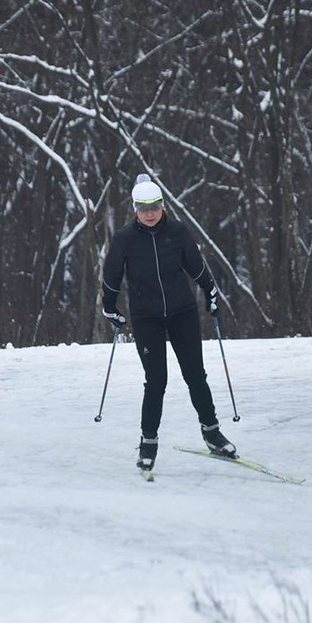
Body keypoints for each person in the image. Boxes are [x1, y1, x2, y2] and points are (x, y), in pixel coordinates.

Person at [101, 174, 237, 472]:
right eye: (142, 207)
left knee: (195, 375)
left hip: (182, 312)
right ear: (134, 208)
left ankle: (212, 433)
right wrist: (109, 307)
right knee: (156, 381)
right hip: (146, 316)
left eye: (154, 206)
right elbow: (111, 275)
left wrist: (210, 291)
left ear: (163, 206)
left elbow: (196, 265)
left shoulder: (177, 231)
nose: (149, 213)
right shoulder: (125, 239)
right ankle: (148, 443)